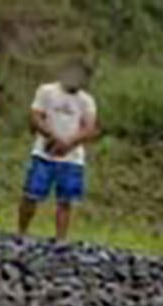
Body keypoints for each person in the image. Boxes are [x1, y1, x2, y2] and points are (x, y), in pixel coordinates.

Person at [17, 61, 99, 242]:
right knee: (31, 194)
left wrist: (68, 143)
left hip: (71, 157)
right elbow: (35, 116)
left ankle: (60, 239)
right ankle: (21, 232)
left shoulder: (87, 100)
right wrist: (51, 136)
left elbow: (89, 127)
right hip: (43, 152)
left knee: (65, 200)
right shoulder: (47, 91)